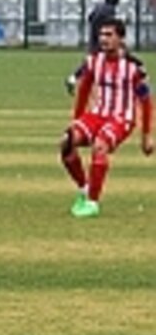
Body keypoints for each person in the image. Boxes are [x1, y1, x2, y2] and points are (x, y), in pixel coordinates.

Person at [60, 18, 153, 218]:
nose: (104, 39)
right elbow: (84, 89)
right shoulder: (93, 61)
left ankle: (93, 202)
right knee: (66, 141)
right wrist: (77, 119)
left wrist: (146, 135)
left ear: (120, 38)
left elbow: (146, 101)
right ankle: (84, 189)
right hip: (97, 114)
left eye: (109, 35)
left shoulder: (134, 68)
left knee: (100, 145)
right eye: (102, 35)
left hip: (122, 118)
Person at [65, 0, 119, 94]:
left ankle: (73, 79)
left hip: (93, 38)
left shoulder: (98, 7)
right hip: (102, 40)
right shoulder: (110, 10)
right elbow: (111, 25)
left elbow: (90, 18)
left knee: (93, 62)